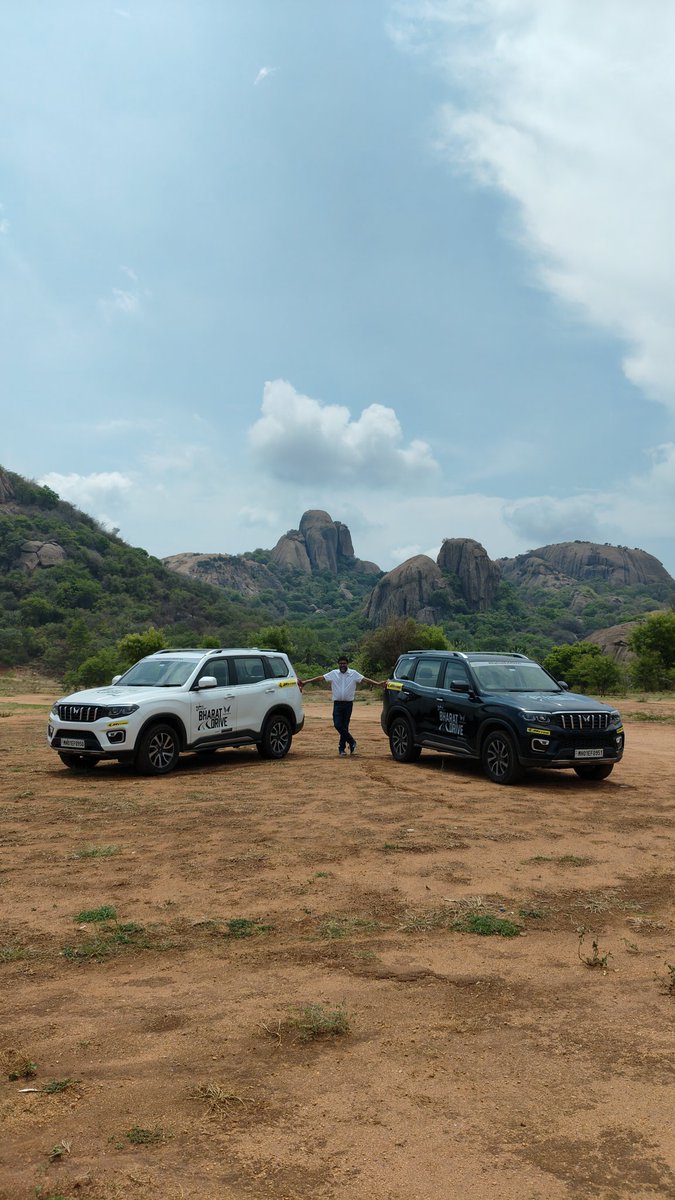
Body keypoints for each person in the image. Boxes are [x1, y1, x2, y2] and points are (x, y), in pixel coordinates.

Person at [299, 656, 385, 756]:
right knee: (337, 725)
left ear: (347, 664)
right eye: (340, 663)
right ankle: (352, 741)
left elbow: (365, 680)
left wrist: (378, 684)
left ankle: (341, 749)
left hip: (348, 704)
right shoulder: (333, 673)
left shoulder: (353, 673)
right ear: (338, 664)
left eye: (344, 663)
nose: (342, 665)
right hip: (337, 704)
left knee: (344, 726)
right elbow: (320, 678)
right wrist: (305, 682)